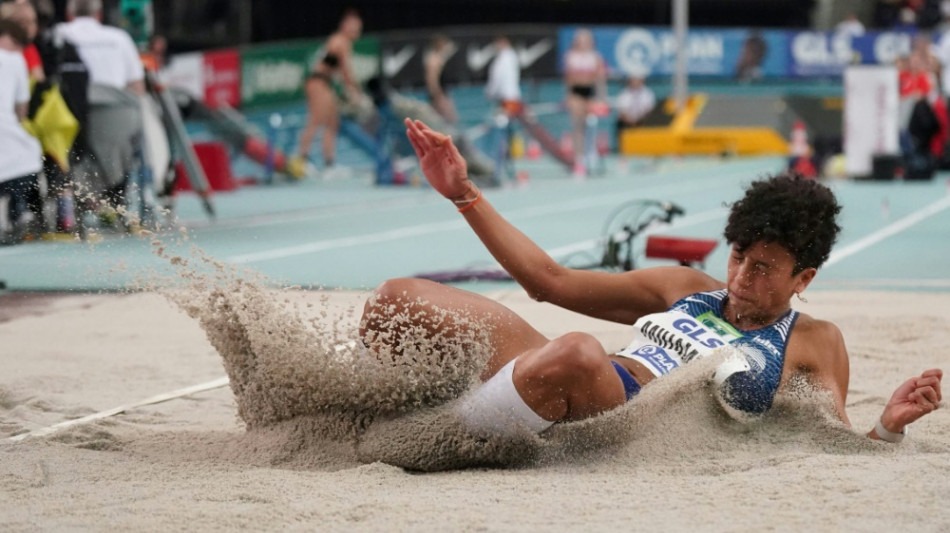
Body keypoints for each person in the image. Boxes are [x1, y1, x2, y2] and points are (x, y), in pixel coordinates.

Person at [359, 118, 943, 444]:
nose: (740, 276)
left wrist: (885, 428)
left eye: (763, 268)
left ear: (803, 277)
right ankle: (378, 411)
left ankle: (430, 438)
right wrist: (464, 193)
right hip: (580, 375)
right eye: (738, 255)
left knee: (577, 354)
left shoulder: (815, 341)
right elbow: (548, 281)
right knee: (398, 299)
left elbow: (831, 443)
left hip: (619, 421)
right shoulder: (687, 286)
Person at [294, 9, 363, 176]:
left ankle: (329, 164)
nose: (356, 31)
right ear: (344, 26)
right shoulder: (340, 41)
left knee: (333, 123)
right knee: (315, 120)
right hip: (318, 82)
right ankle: (301, 161)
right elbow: (345, 71)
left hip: (327, 83)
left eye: (358, 28)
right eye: (353, 27)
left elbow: (338, 70)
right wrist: (355, 90)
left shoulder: (342, 42)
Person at [0, 19, 42, 244]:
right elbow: (22, 106)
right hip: (5, 125)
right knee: (28, 158)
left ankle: (17, 210)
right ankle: (19, 209)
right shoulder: (15, 60)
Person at [55, 0, 144, 95]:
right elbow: (137, 86)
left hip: (70, 105)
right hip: (115, 105)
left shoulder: (57, 34)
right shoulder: (121, 38)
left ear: (68, 15)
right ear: (100, 15)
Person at [562, 29, 607, 178]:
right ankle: (579, 159)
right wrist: (568, 97)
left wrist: (602, 97)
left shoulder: (595, 57)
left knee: (590, 124)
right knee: (577, 125)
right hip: (577, 93)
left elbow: (599, 79)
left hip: (590, 91)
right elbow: (569, 80)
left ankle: (591, 154)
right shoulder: (571, 57)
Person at [0, 0, 43, 82]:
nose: (28, 28)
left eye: (33, 22)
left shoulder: (29, 50)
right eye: (22, 22)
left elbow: (39, 81)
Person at [614, 74, 655, 149]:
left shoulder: (647, 93)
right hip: (627, 122)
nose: (635, 82)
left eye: (637, 80)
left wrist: (638, 120)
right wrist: (631, 120)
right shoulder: (624, 93)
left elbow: (649, 110)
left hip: (642, 121)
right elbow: (622, 112)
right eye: (633, 80)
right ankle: (623, 149)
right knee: (620, 122)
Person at [424, 34, 458, 125]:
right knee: (450, 119)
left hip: (441, 93)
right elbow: (431, 80)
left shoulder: (438, 58)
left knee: (445, 121)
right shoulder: (433, 61)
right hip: (439, 94)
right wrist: (438, 97)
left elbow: (449, 49)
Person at [484, 35, 520, 109]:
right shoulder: (512, 56)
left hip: (506, 98)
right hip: (513, 96)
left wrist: (490, 92)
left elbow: (496, 77)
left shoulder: (502, 59)